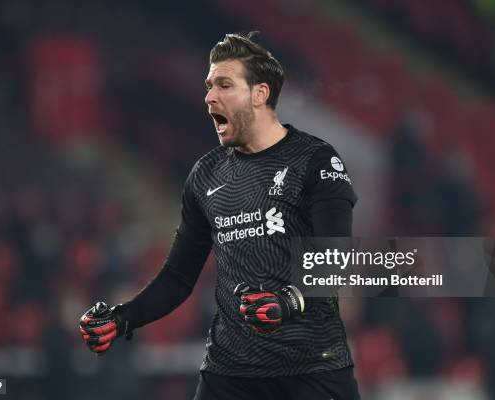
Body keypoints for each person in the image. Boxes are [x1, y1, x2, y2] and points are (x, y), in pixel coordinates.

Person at [79, 31, 360, 400]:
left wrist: (288, 301)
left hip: (310, 369)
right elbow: (178, 277)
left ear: (260, 94)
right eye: (209, 86)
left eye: (224, 85)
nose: (209, 96)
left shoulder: (315, 160)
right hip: (229, 373)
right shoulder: (206, 175)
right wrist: (123, 318)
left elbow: (335, 260)